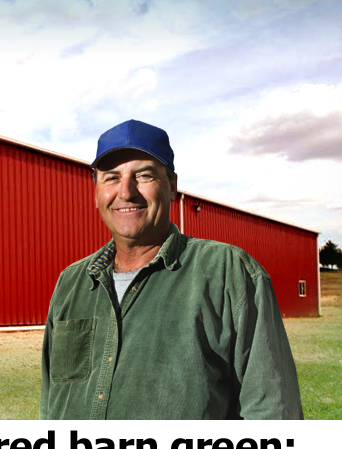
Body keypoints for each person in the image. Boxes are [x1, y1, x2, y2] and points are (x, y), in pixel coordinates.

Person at [39, 120, 304, 419]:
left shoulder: (229, 273)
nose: (126, 192)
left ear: (173, 185)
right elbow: (52, 404)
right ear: (97, 190)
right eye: (111, 178)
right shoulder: (71, 282)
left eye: (144, 175)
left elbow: (273, 414)